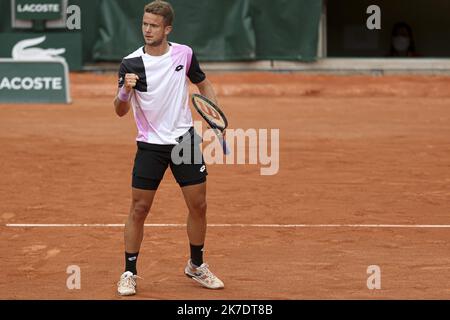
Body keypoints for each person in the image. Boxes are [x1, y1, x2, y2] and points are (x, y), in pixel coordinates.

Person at [114, 0, 224, 296]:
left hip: (185, 141)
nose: (147, 30)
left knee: (198, 205)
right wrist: (125, 90)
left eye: (153, 26)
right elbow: (119, 110)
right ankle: (129, 271)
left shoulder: (184, 54)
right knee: (139, 208)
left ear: (167, 29)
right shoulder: (130, 63)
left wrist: (213, 109)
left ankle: (196, 265)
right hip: (150, 145)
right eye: (144, 24)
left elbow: (204, 83)